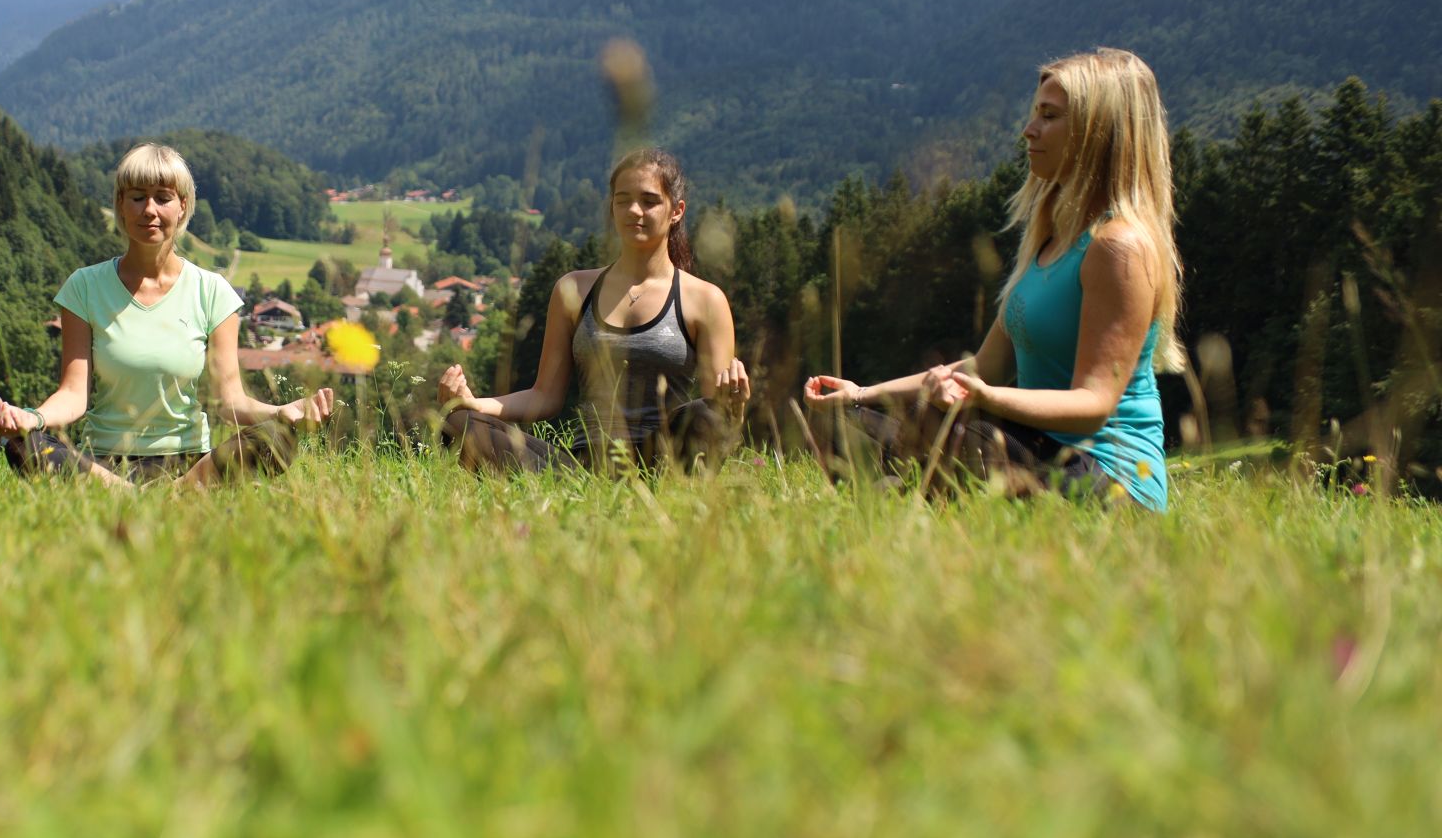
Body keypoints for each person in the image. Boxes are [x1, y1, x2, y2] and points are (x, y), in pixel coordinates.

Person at [804, 48, 1183, 510]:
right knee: (845, 421)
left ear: (1096, 133)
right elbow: (981, 367)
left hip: (1111, 479)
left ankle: (906, 502)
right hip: (1036, 451)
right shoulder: (1051, 240)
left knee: (965, 433)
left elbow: (1093, 405)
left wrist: (986, 400)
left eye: (1049, 116)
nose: (1029, 130)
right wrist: (863, 393)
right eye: (1034, 114)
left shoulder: (1117, 247)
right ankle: (907, 498)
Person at [0, 143, 334, 486]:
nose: (149, 209)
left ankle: (171, 492)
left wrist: (282, 412)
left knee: (278, 438)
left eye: (162, 198)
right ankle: (142, 497)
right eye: (137, 197)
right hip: (101, 464)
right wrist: (32, 418)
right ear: (121, 204)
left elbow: (231, 402)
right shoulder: (84, 287)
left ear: (182, 206)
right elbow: (73, 395)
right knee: (21, 443)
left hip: (189, 465)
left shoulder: (212, 292)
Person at [436, 147, 751, 474]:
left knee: (705, 414)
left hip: (660, 461)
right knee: (461, 422)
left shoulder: (705, 300)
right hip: (580, 468)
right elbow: (544, 396)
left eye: (649, 200)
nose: (634, 210)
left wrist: (735, 410)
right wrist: (474, 404)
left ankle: (654, 498)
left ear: (676, 211)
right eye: (622, 199)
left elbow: (719, 416)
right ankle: (575, 490)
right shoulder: (574, 289)